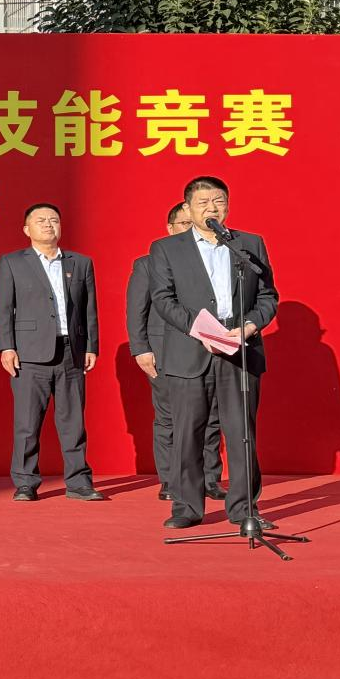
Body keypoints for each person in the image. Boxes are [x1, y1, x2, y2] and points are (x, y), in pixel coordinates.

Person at [150, 176, 278, 530]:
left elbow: (268, 296)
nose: (212, 208)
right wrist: (201, 330)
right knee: (188, 432)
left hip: (240, 349)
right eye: (203, 202)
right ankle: (187, 507)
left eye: (218, 201)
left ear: (228, 205)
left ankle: (245, 508)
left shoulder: (248, 244)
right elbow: (163, 299)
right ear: (188, 208)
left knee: (241, 432)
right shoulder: (166, 248)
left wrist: (249, 326)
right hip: (190, 350)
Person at [0, 203, 105, 502]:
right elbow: (4, 309)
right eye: (40, 220)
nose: (48, 224)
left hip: (71, 351)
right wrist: (6, 346)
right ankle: (26, 482)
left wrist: (91, 346)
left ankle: (79, 482)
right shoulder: (12, 263)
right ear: (26, 229)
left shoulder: (80, 263)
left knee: (73, 422)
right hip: (29, 354)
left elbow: (89, 309)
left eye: (54, 220)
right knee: (27, 423)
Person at [126, 203, 224, 502]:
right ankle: (171, 480)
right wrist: (141, 349)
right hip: (164, 352)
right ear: (169, 229)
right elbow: (136, 311)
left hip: (209, 348)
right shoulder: (147, 264)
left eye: (192, 224)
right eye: (183, 224)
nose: (189, 229)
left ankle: (209, 479)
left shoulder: (213, 259)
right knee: (170, 417)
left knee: (211, 417)